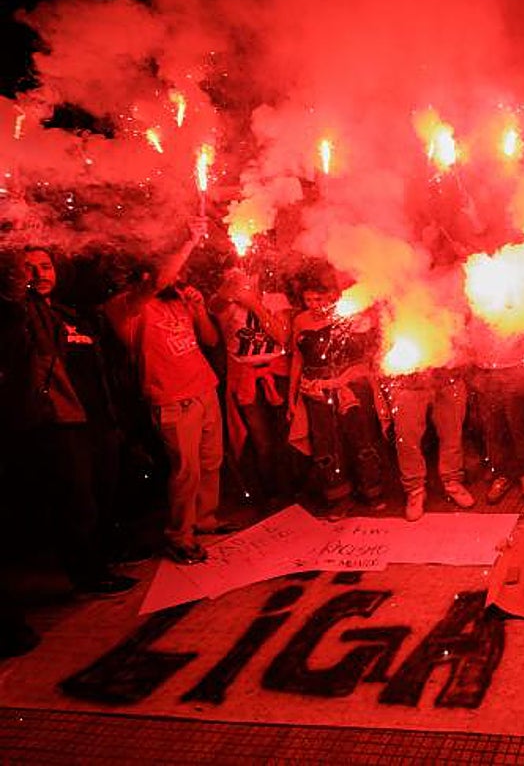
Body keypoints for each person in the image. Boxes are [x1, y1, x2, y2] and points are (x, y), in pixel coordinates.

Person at [0, 247, 137, 593]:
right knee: (78, 502)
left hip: (97, 417)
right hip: (61, 420)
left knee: (105, 490)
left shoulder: (70, 314)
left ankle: (107, 555)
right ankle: (88, 574)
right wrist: (18, 291)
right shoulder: (21, 315)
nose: (39, 274)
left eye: (45, 266)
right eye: (28, 268)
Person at [106, 219, 230, 565]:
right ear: (145, 275)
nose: (178, 279)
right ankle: (179, 536)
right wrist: (190, 240)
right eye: (173, 274)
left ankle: (205, 519)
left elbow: (210, 340)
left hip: (204, 388)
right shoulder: (125, 306)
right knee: (186, 471)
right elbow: (160, 281)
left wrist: (199, 309)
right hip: (173, 399)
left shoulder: (178, 301)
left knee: (211, 462)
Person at [287, 267, 390, 519]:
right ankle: (339, 497)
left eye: (319, 299)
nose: (314, 305)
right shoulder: (300, 321)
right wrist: (292, 397)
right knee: (326, 442)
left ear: (331, 296)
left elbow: (369, 345)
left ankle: (371, 491)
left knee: (361, 436)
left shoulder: (348, 315)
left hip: (351, 385)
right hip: (316, 389)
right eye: (308, 300)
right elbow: (298, 359)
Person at [211, 266, 293, 511]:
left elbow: (282, 337)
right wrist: (229, 292)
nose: (242, 280)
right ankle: (271, 494)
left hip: (277, 375)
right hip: (246, 378)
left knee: (286, 434)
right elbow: (214, 307)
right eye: (233, 276)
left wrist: (254, 304)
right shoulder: (225, 304)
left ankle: (292, 490)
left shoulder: (276, 299)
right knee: (261, 440)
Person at [383, 362, 476, 522]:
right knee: (407, 439)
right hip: (407, 382)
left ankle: (452, 481)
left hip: (449, 377)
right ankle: (415, 489)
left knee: (452, 434)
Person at [471, 324, 524, 504]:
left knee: (520, 426)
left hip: (515, 367)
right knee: (493, 428)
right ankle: (501, 474)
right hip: (485, 370)